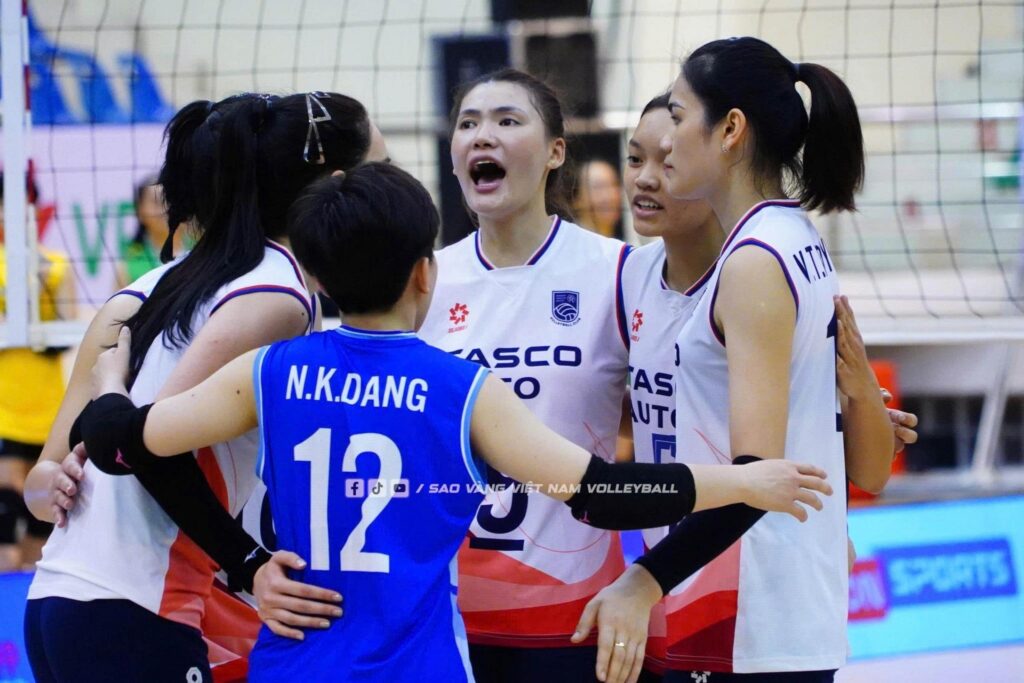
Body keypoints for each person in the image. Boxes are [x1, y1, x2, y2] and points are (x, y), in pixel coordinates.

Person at [78, 162, 833, 683]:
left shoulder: (266, 371)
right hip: (419, 666)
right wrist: (742, 481)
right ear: (424, 272)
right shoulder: (460, 388)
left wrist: (113, 384)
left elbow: (123, 444)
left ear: (321, 279)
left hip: (295, 663)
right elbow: (602, 492)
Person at [22, 91, 387, 683]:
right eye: (381, 171)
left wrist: (49, 485)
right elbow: (139, 450)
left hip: (59, 603)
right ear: (336, 185)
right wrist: (251, 565)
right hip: (134, 608)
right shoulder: (274, 296)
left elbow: (44, 482)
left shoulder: (145, 288)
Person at [580, 37, 891, 682]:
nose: (665, 145)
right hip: (753, 599)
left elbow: (757, 479)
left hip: (750, 613)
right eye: (637, 154)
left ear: (729, 131)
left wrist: (642, 580)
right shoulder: (787, 236)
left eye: (678, 116)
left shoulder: (754, 261)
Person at [414, 68, 635, 681]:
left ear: (555, 152)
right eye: (468, 124)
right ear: (454, 157)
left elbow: (672, 409)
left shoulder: (619, 270)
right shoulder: (424, 280)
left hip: (571, 615)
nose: (482, 136)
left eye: (507, 121)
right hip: (443, 617)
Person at [0, 173, 75, 571]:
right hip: (5, 403)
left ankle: (21, 589)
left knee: (39, 504)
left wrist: (41, 290)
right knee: (7, 496)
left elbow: (65, 334)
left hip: (46, 401)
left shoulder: (56, 265)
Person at [116, 176, 183, 288]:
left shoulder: (199, 249)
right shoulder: (128, 265)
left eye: (170, 201)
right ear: (140, 210)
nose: (165, 209)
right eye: (157, 202)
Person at [573, 159, 623, 238]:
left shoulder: (624, 243)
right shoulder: (569, 242)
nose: (611, 196)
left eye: (615, 184)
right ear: (576, 199)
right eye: (599, 187)